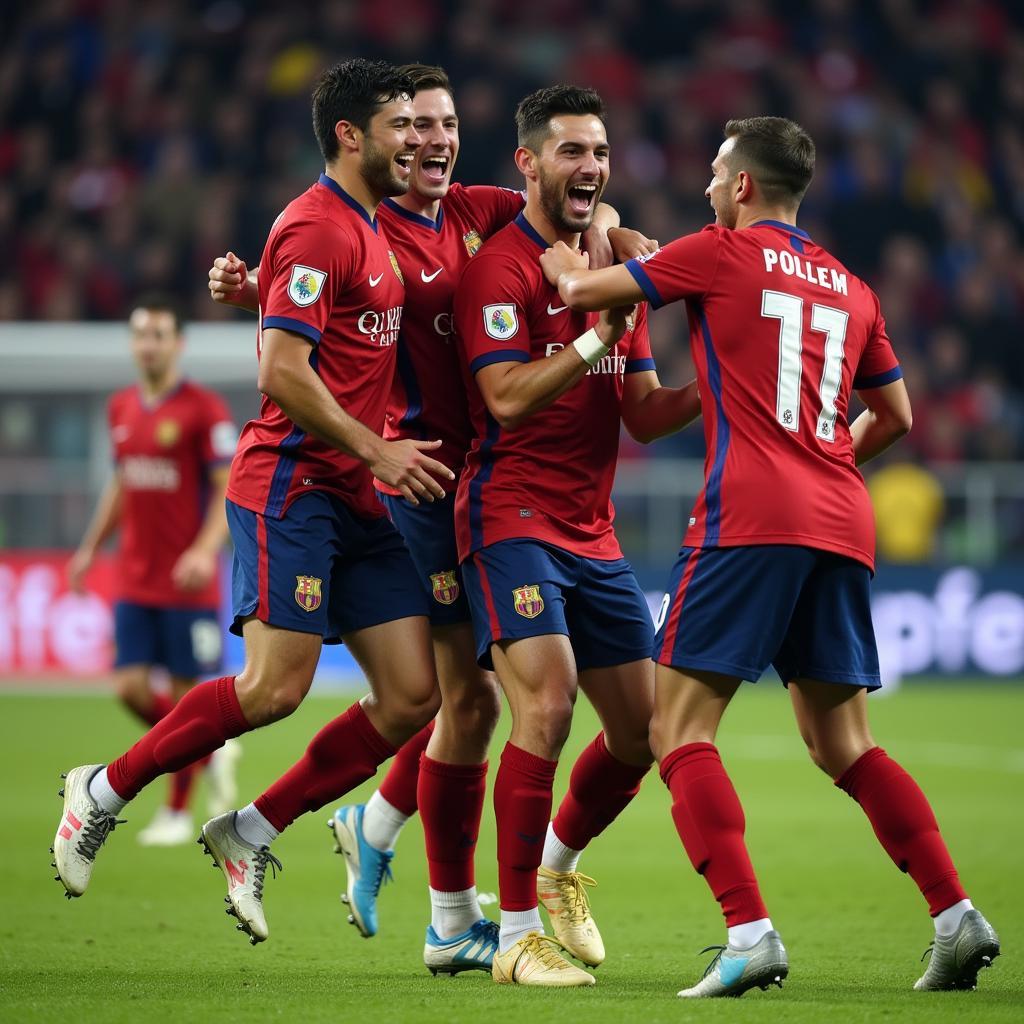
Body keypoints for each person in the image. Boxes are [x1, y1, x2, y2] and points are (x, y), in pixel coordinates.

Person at [207, 64, 655, 975]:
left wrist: (615, 235)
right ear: (378, 140)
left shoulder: (471, 214)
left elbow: (583, 210)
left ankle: (375, 834)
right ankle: (447, 910)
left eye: (443, 124)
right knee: (474, 699)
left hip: (468, 475)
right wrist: (260, 282)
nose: (427, 140)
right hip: (422, 479)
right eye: (411, 126)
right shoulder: (365, 224)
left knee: (473, 701)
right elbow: (324, 292)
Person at [539, 115, 1000, 997]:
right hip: (842, 518)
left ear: (743, 185)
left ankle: (748, 931)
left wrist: (591, 249)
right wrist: (824, 466)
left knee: (675, 729)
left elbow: (576, 293)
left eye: (717, 173)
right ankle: (953, 914)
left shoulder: (718, 252)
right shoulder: (855, 287)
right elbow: (896, 416)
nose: (711, 187)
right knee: (845, 744)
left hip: (749, 517)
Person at [52, 59, 457, 948]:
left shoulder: (369, 226)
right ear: (353, 136)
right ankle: (103, 790)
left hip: (359, 496)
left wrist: (260, 295)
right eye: (401, 125)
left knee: (410, 697)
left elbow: (331, 334)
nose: (418, 140)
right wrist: (379, 446)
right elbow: (282, 370)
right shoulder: (317, 225)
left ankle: (250, 830)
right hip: (294, 486)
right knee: (276, 689)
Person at [453, 85, 700, 987]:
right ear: (528, 162)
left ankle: (553, 871)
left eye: (598, 149)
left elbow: (643, 413)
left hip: (590, 531)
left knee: (644, 732)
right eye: (570, 151)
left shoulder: (611, 260)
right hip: (508, 513)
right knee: (547, 707)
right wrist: (600, 335)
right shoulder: (501, 270)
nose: (590, 165)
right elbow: (507, 398)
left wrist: (723, 382)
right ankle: (515, 934)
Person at [67, 295, 239, 846]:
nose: (148, 344)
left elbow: (225, 492)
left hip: (186, 581)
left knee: (189, 697)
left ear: (177, 343)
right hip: (135, 577)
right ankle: (207, 750)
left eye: (159, 334)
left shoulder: (203, 410)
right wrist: (91, 547)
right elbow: (121, 484)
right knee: (130, 688)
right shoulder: (120, 408)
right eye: (141, 334)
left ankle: (176, 812)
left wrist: (203, 549)